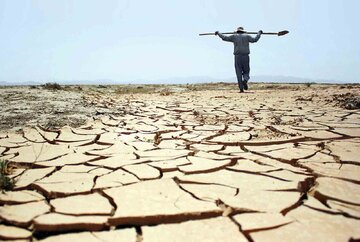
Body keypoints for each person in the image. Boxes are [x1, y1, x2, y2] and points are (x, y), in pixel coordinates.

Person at [215, 27, 263, 92]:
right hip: (245, 56)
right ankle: (245, 80)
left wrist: (218, 33)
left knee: (238, 72)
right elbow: (255, 39)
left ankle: (241, 88)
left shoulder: (234, 36)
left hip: (237, 57)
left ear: (237, 31)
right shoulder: (247, 36)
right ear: (243, 31)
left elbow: (224, 37)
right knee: (246, 71)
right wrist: (259, 33)